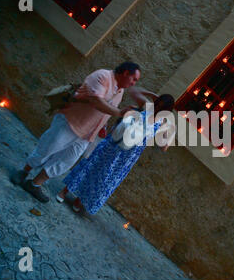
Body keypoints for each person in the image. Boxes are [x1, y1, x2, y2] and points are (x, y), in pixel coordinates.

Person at [10, 62, 156, 203]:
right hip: (70, 122)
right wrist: (119, 113)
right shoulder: (103, 76)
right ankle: (24, 172)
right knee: (47, 148)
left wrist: (103, 127)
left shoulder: (120, 91)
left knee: (65, 161)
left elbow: (106, 110)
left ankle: (35, 184)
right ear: (125, 73)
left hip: (87, 135)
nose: (133, 83)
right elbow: (96, 101)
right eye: (134, 79)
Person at [56, 94, 175, 215]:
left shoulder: (162, 124)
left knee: (103, 178)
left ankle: (79, 201)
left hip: (127, 158)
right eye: (157, 104)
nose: (157, 108)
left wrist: (171, 131)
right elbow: (135, 91)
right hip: (114, 145)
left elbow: (164, 147)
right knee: (91, 165)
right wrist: (151, 95)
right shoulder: (147, 108)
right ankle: (64, 191)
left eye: (161, 107)